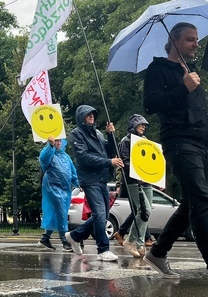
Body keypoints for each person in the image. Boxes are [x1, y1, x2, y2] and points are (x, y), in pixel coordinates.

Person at [142, 22, 208, 288]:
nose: (196, 45)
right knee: (202, 202)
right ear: (174, 40)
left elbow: (201, 109)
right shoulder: (158, 69)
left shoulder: (191, 71)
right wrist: (183, 88)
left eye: (196, 39)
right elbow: (151, 104)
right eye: (190, 40)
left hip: (203, 144)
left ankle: (157, 252)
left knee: (191, 204)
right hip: (179, 141)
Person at [64, 104, 122, 262]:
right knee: (100, 213)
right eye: (88, 115)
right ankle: (103, 249)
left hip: (101, 178)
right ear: (81, 117)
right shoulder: (77, 134)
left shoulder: (97, 133)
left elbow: (110, 151)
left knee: (104, 214)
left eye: (93, 115)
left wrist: (110, 135)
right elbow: (83, 157)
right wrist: (109, 162)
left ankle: (75, 236)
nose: (91, 117)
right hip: (90, 179)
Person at [116, 114, 153, 259]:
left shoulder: (145, 141)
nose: (144, 127)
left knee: (146, 212)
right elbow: (125, 162)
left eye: (145, 125)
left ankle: (139, 242)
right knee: (144, 210)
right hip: (133, 181)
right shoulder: (125, 142)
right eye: (141, 124)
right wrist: (138, 175)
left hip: (147, 181)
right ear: (134, 125)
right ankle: (132, 241)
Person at [38, 136, 79, 252]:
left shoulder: (66, 157)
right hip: (52, 187)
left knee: (57, 213)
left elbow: (72, 171)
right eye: (56, 140)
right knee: (61, 212)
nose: (58, 143)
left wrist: (78, 183)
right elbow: (43, 159)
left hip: (65, 190)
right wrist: (50, 146)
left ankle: (45, 238)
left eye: (60, 140)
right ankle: (65, 241)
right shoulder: (49, 153)